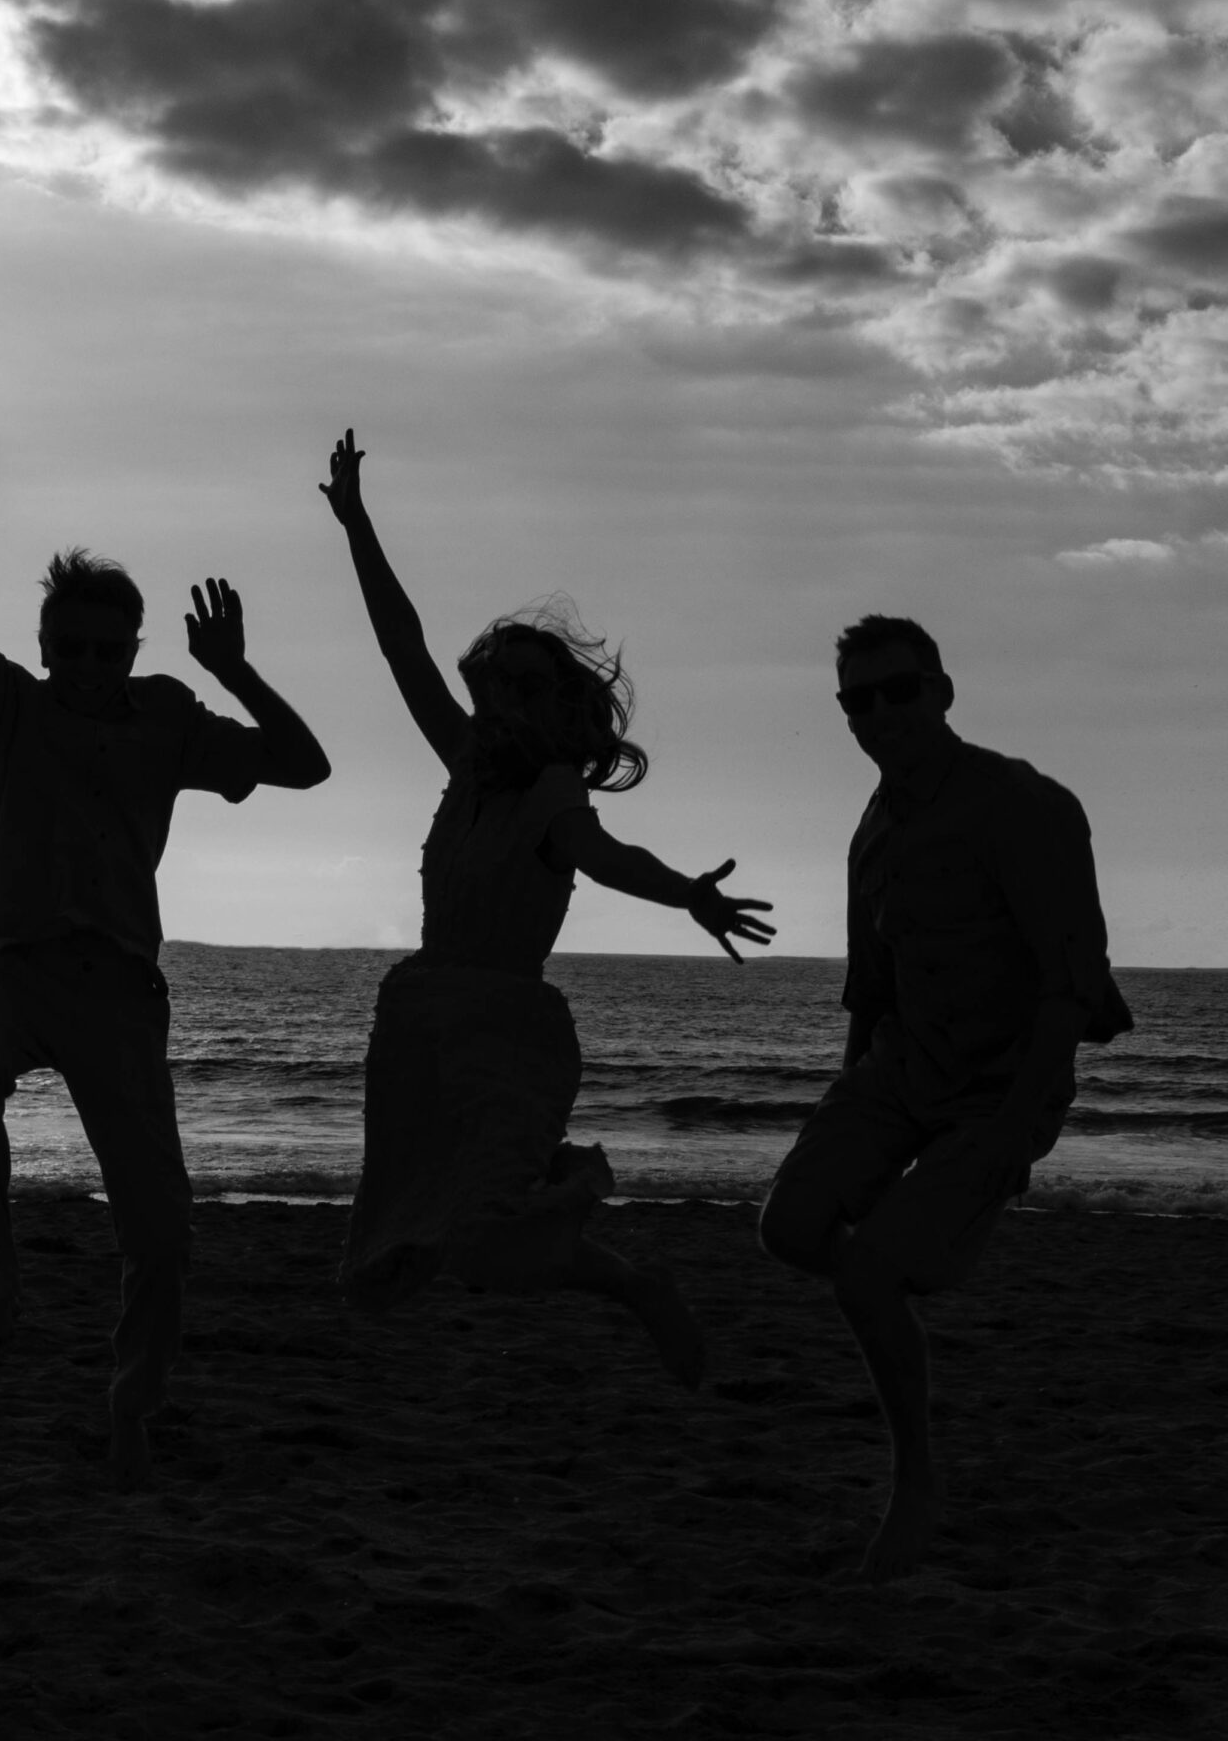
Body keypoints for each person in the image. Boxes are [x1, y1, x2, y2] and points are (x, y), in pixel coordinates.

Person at [319, 429, 772, 1386]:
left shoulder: (554, 791)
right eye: (495, 684)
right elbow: (400, 646)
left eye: (530, 687)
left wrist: (688, 893)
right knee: (416, 1227)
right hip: (420, 1025)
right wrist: (357, 525)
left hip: (505, 1029)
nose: (505, 702)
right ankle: (606, 1272)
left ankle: (634, 1289)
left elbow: (603, 856)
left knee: (483, 1238)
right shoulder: (468, 764)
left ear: (562, 706)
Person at [0, 440, 332, 1488]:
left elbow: (304, 765)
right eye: (74, 647)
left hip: (115, 988)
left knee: (161, 1231)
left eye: (111, 649)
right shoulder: (14, 710)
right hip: (13, 968)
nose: (92, 666)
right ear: (48, 646)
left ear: (133, 647)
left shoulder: (165, 719)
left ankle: (132, 1404)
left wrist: (233, 669)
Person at [757, 615, 1131, 1580]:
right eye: (858, 700)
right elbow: (870, 989)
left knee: (871, 1275)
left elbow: (1071, 984)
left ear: (943, 690)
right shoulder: (872, 828)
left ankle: (916, 1480)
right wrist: (846, 1102)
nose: (879, 712)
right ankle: (905, 1264)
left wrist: (1015, 1131)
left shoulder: (1021, 803)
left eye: (900, 690)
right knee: (789, 1227)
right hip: (897, 1072)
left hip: (1001, 1086)